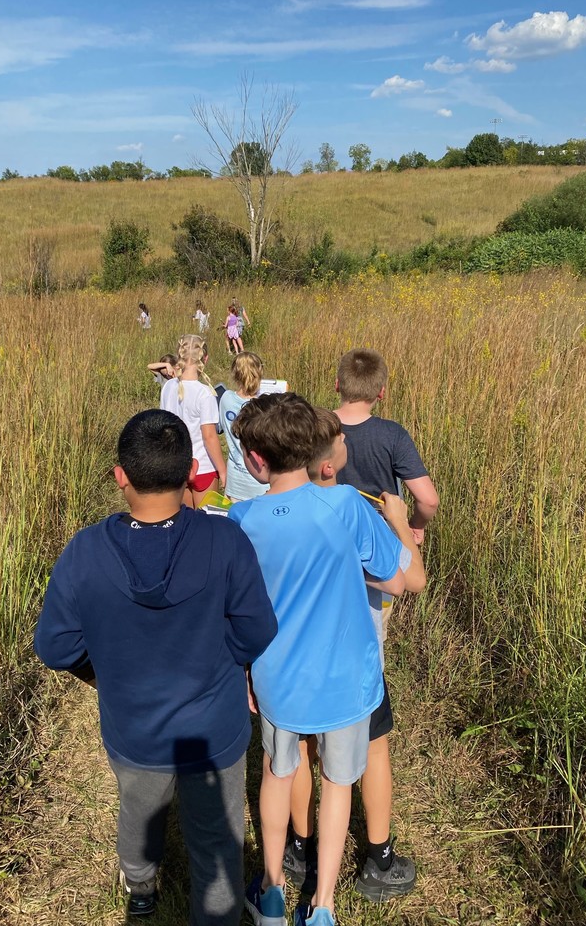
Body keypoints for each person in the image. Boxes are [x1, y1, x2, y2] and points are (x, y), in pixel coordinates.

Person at [34, 410, 278, 923]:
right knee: (216, 839)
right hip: (214, 729)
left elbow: (56, 647)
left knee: (140, 811)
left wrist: (102, 673)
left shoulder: (85, 551)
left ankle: (140, 885)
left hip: (133, 727)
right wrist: (222, 661)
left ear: (120, 475)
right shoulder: (225, 540)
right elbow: (257, 629)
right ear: (193, 471)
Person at [227, 393, 407, 926]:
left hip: (278, 678)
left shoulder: (241, 519)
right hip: (348, 680)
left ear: (255, 460)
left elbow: (234, 607)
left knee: (277, 774)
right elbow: (397, 578)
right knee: (337, 784)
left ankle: (274, 892)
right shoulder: (348, 506)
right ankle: (323, 905)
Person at [284, 408, 426, 903]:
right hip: (350, 663)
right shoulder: (352, 509)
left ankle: (299, 848)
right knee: (374, 749)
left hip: (293, 665)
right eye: (343, 444)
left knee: (302, 748)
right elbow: (412, 581)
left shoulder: (271, 511)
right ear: (328, 464)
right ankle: (378, 858)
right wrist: (401, 523)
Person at [335, 347, 438, 636]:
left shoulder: (317, 427)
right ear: (381, 392)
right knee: (372, 619)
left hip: (326, 528)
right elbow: (428, 499)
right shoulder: (392, 435)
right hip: (378, 538)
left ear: (338, 384)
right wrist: (414, 526)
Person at [160, 334, 226, 507]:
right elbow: (209, 436)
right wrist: (223, 470)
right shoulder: (205, 394)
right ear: (205, 358)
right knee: (206, 524)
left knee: (185, 524)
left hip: (177, 465)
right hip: (203, 467)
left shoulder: (168, 387)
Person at [219, 351, 270, 502]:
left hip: (235, 478)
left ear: (235, 374)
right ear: (259, 373)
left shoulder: (226, 398)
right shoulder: (265, 406)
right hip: (261, 478)